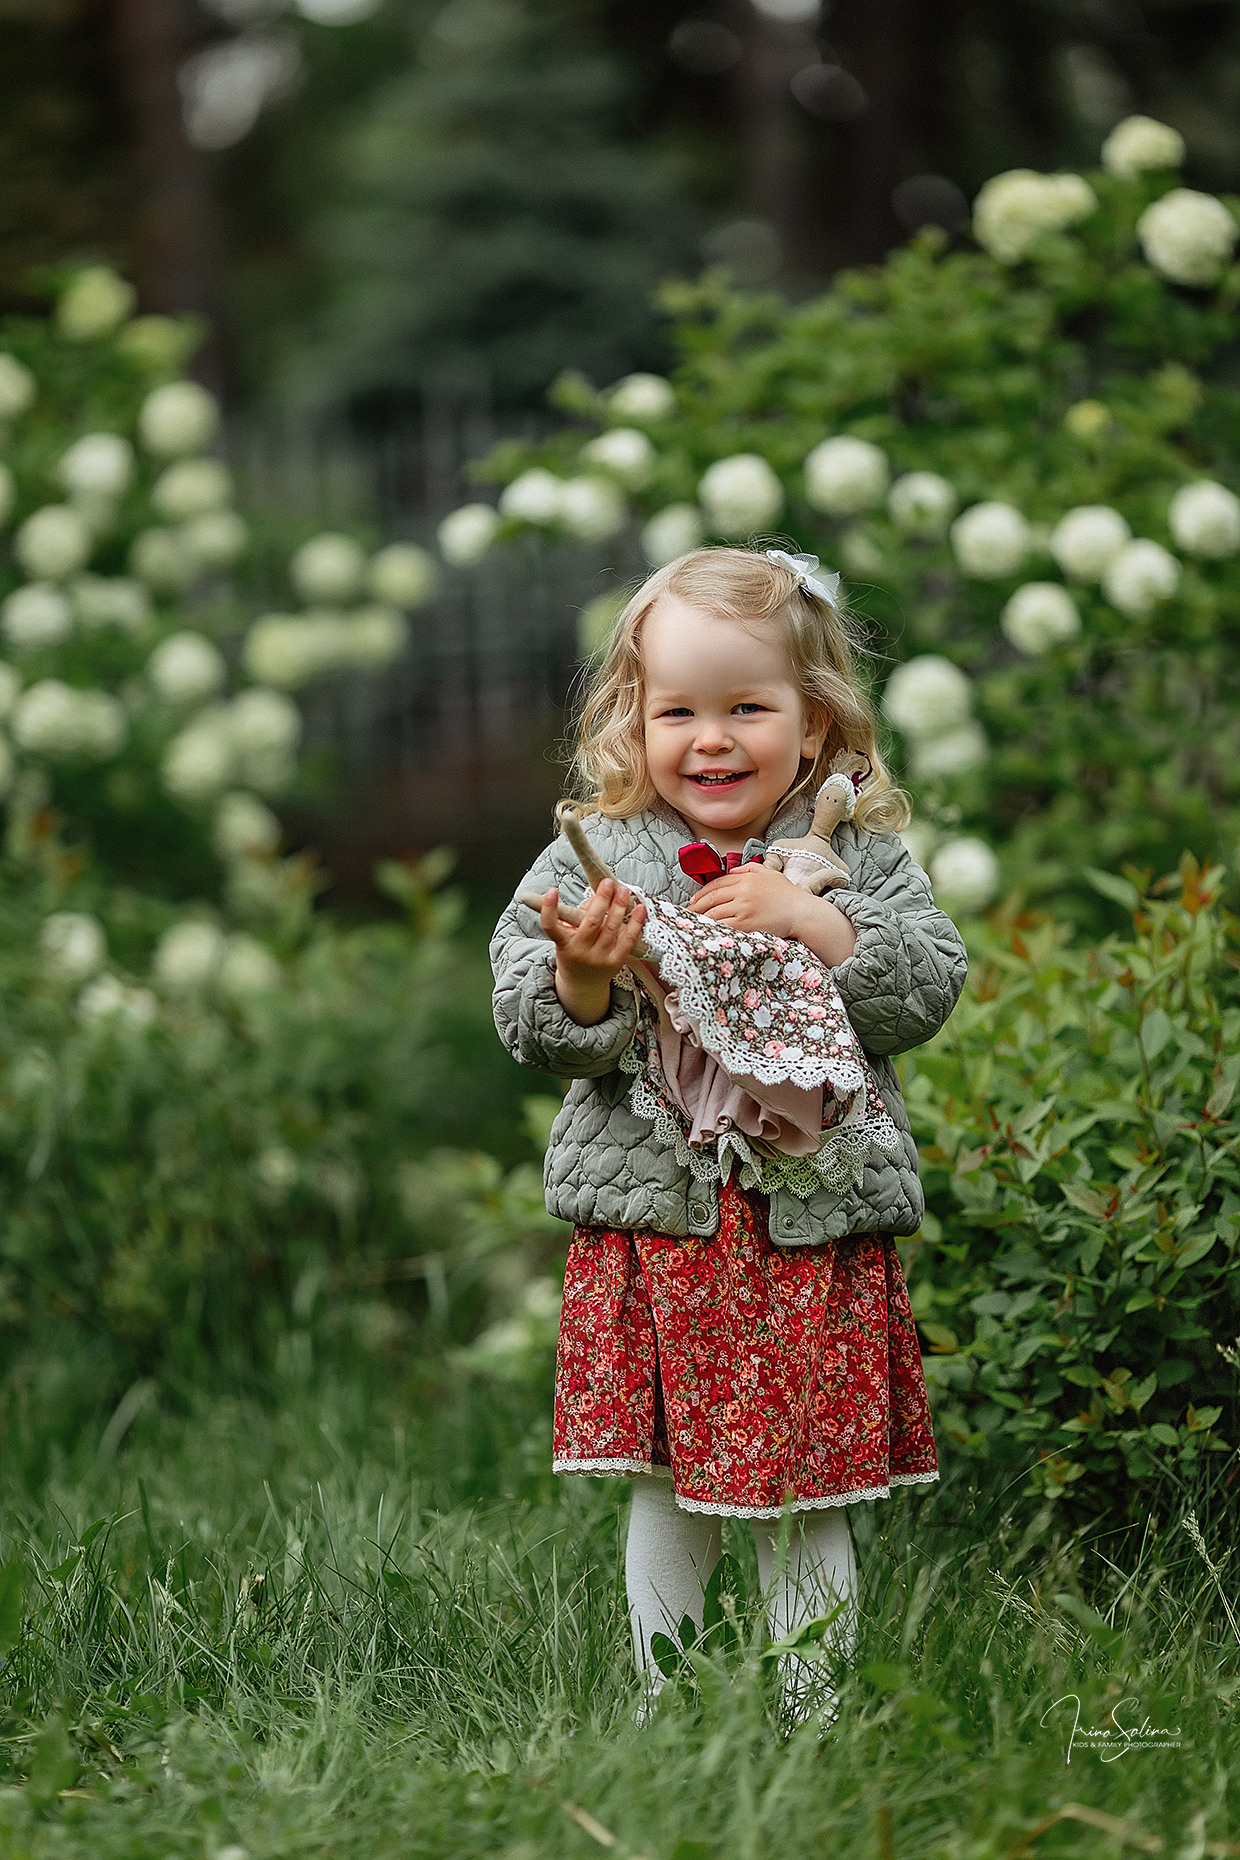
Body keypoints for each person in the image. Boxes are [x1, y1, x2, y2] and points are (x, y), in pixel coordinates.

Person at [490, 545, 967, 1722]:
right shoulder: (597, 861)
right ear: (631, 722)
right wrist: (587, 980)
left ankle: (812, 1713)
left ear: (812, 728)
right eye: (679, 711)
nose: (711, 738)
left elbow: (926, 987)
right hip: (667, 1231)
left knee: (808, 1492)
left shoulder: (856, 863)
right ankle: (668, 1706)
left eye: (746, 707)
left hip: (804, 1229)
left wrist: (818, 922)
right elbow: (530, 1019)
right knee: (666, 1485)